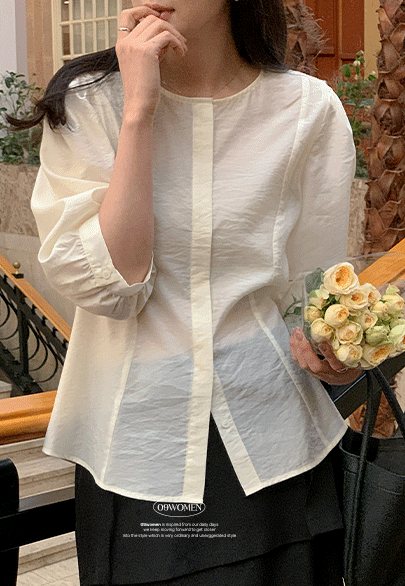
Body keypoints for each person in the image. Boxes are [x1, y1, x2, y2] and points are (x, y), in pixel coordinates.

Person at [27, 1, 360, 584]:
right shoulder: (89, 103)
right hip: (138, 448)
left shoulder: (308, 109)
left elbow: (311, 290)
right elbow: (113, 287)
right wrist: (139, 111)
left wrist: (335, 351)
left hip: (277, 446)